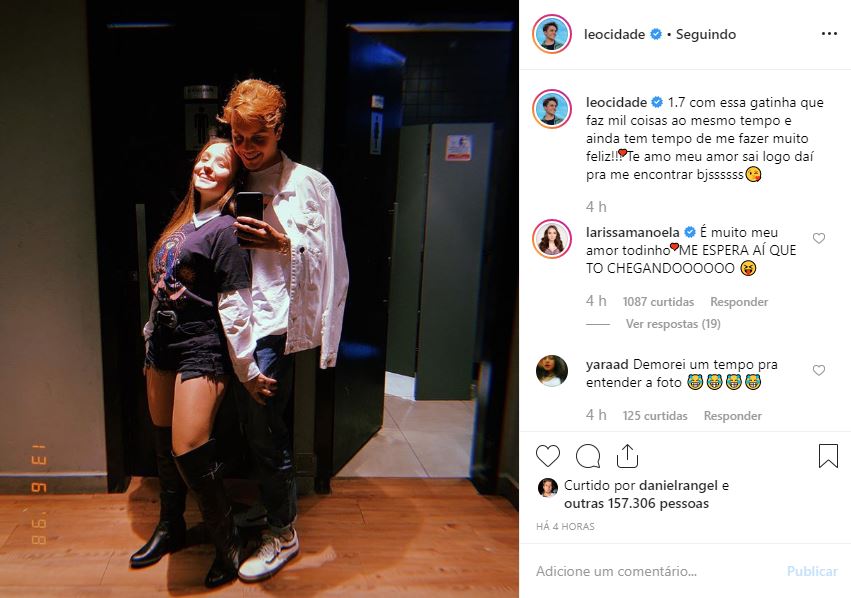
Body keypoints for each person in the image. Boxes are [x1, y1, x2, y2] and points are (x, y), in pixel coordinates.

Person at [216, 78, 349, 582]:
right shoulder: (226, 175)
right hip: (227, 318)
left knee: (266, 432)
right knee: (243, 429)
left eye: (258, 139)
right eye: (238, 137)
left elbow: (334, 262)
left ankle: (283, 531)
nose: (247, 149)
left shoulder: (312, 186)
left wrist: (283, 244)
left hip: (273, 325)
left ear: (278, 132)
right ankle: (270, 508)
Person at [130, 138, 276, 588]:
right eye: (204, 158)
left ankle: (227, 541)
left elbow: (235, 304)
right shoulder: (182, 223)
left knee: (188, 448)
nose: (208, 166)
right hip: (162, 346)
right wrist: (149, 332)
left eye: (221, 163)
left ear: (234, 178)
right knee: (162, 443)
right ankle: (170, 526)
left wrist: (247, 369)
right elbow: (162, 285)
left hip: (201, 346)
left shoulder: (227, 230)